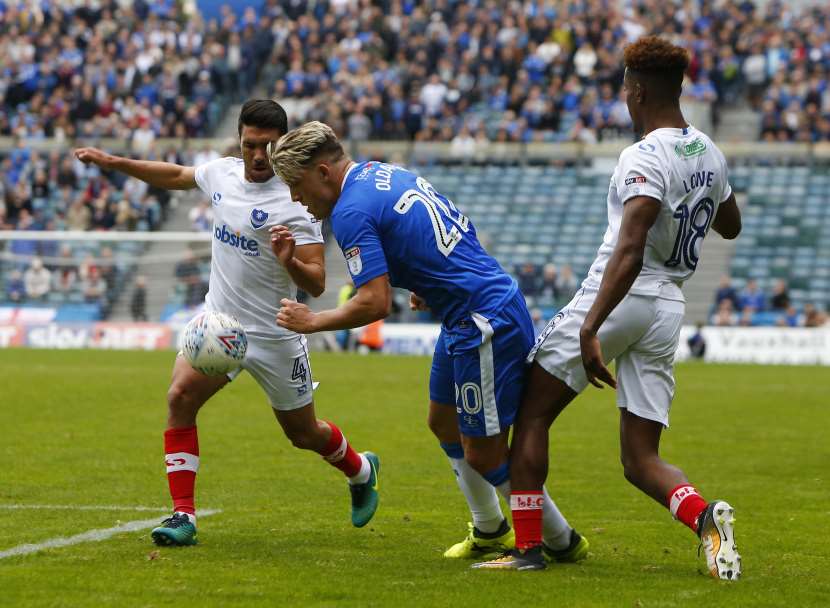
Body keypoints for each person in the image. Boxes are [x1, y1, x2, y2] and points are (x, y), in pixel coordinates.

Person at [476, 37, 743, 577]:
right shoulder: (707, 152)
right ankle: (705, 520)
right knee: (639, 458)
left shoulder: (642, 155)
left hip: (623, 297)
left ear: (637, 90)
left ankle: (528, 549)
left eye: (625, 87)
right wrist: (693, 200)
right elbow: (730, 223)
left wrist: (591, 326)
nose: (624, 96)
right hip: (668, 306)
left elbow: (631, 242)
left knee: (532, 413)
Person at [268, 121, 586, 562]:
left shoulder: (349, 210)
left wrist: (312, 320)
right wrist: (427, 278)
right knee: (442, 421)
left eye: (296, 185)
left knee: (484, 451)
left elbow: (374, 303)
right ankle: (490, 529)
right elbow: (455, 227)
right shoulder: (382, 172)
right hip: (465, 313)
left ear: (322, 172)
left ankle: (556, 540)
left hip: (482, 321)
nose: (294, 198)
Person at [74, 100, 379, 548]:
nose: (258, 155)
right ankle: (183, 516)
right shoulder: (223, 174)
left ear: (282, 145)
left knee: (303, 434)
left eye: (268, 147)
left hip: (276, 333)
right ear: (239, 140)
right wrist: (114, 162)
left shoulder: (297, 199)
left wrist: (288, 259)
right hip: (221, 327)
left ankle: (361, 470)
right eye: (250, 144)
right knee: (179, 397)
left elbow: (315, 284)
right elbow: (177, 176)